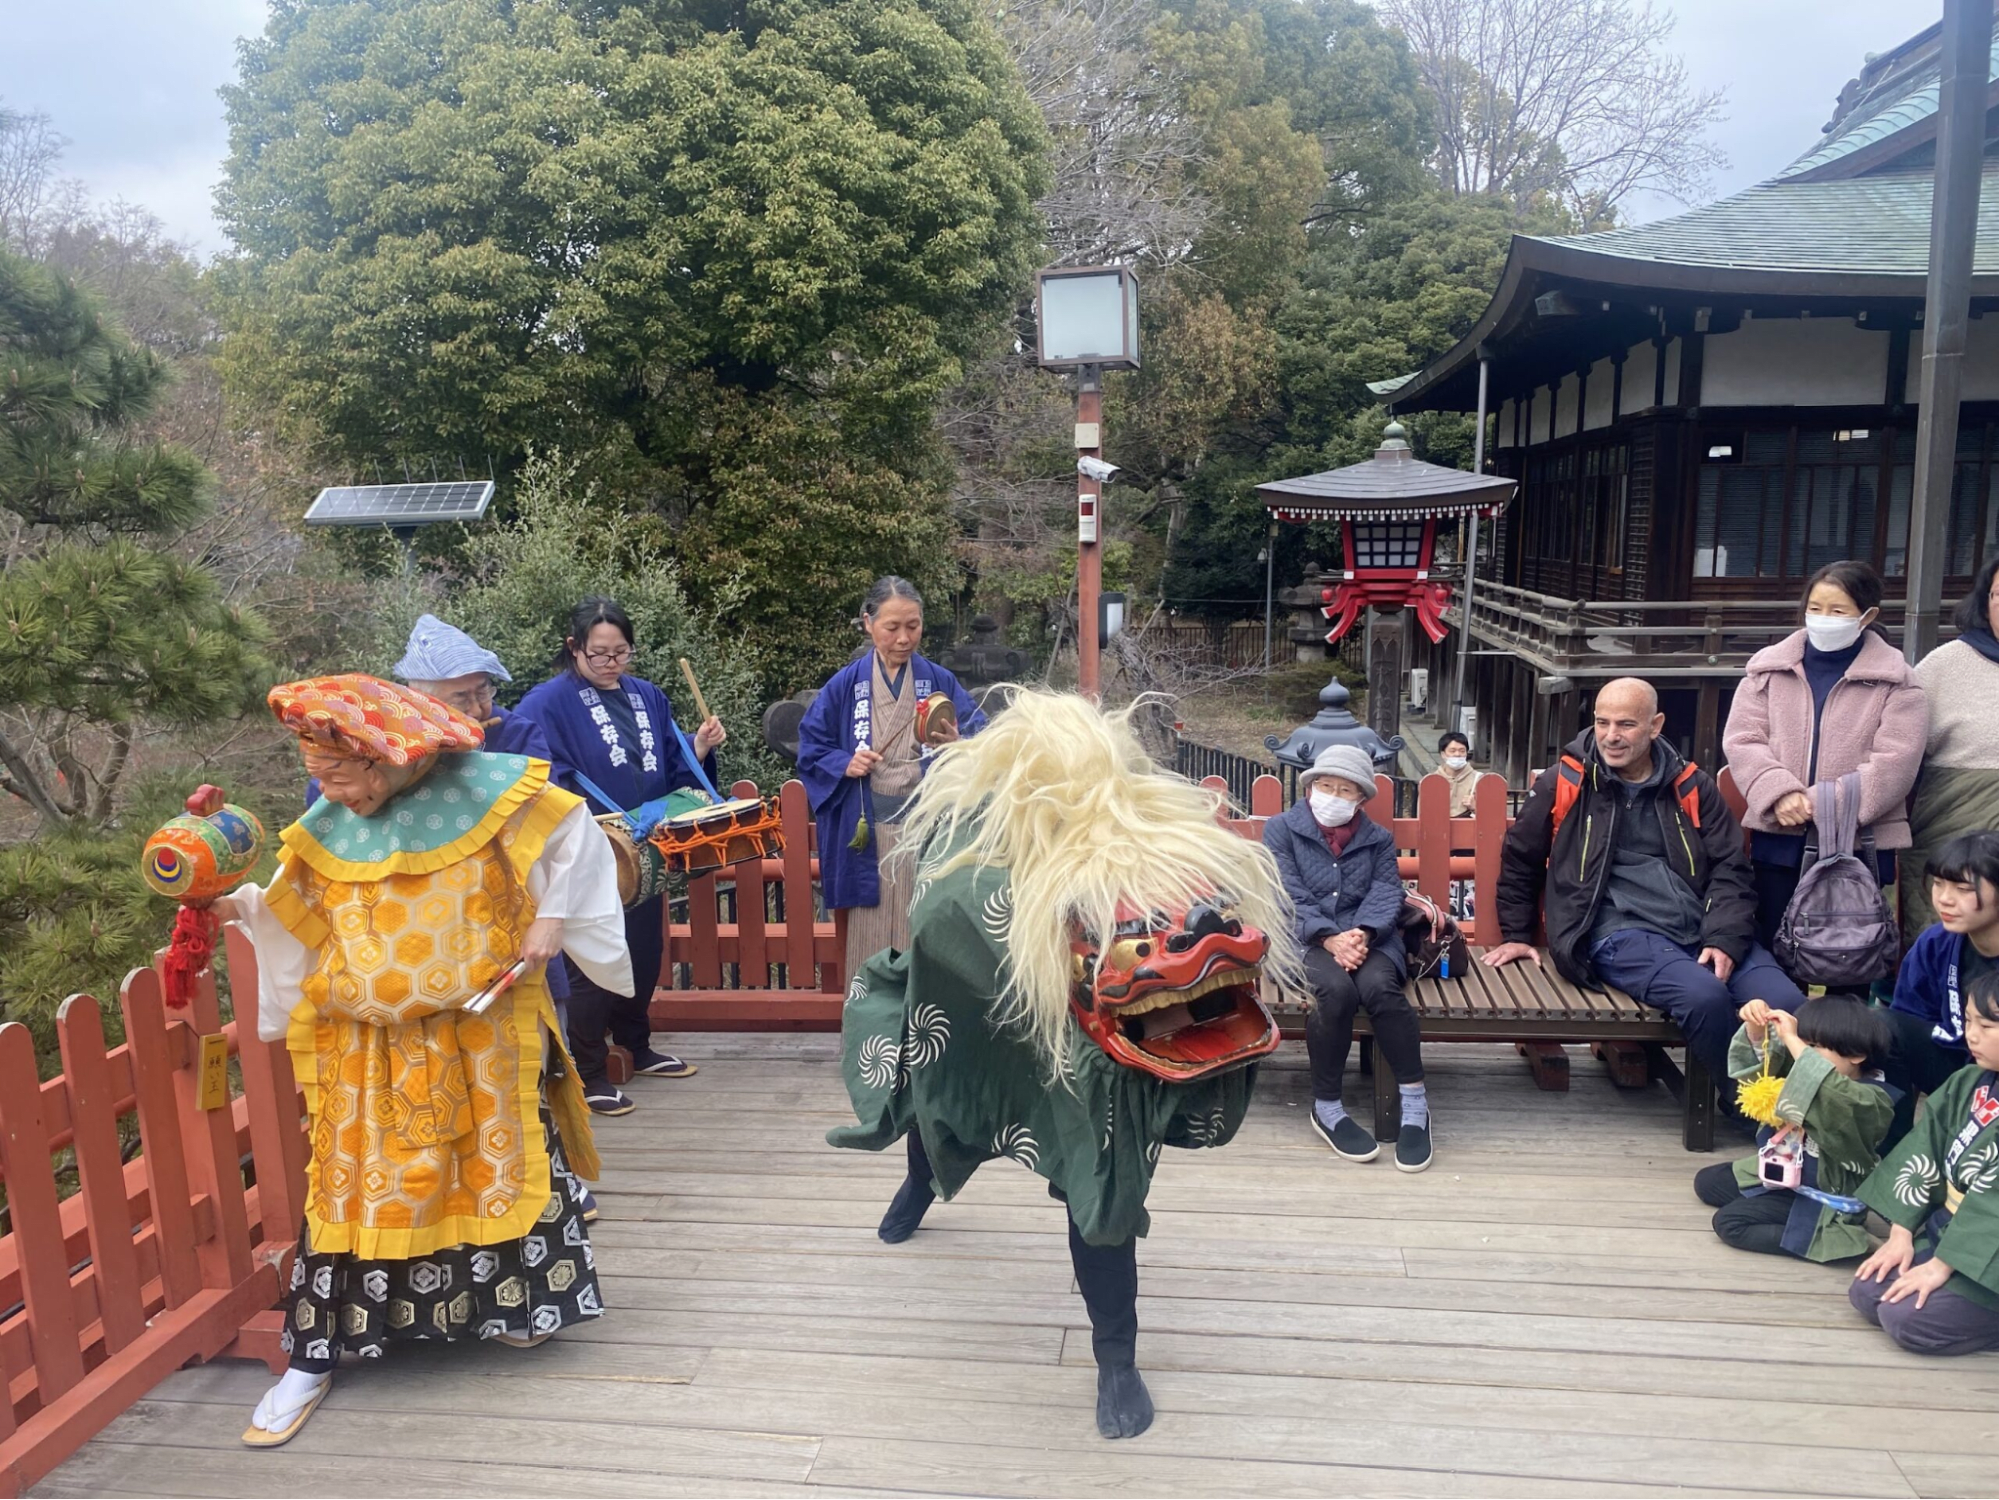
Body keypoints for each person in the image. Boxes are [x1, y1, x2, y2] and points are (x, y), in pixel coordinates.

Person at [831, 689, 1302, 1440]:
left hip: (1094, 1038)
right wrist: (1028, 936)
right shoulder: (976, 839)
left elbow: (1211, 911)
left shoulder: (1140, 835)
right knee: (941, 1082)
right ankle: (923, 1176)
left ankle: (1116, 1355)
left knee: (1101, 1187)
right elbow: (939, 916)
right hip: (987, 1014)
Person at [211, 674, 627, 1446]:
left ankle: (507, 1310)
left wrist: (553, 919)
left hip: (479, 1032)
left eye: (338, 773)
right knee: (359, 1188)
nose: (328, 790)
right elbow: (293, 907)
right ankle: (315, 1352)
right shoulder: (329, 818)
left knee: (489, 1168)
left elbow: (580, 839)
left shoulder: (496, 793)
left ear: (384, 758)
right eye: (321, 776)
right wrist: (236, 907)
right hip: (367, 1046)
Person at [1485, 677, 1806, 1103]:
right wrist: (1517, 936)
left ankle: (1803, 1104)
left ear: (1655, 726)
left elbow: (1731, 868)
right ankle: (1755, 1113)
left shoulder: (1690, 785)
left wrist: (1724, 938)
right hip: (1618, 932)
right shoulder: (1568, 781)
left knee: (1789, 1001)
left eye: (1626, 724)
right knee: (1705, 996)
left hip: (1699, 925)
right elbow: (1521, 858)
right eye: (1602, 723)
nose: (1611, 736)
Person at [516, 597, 726, 1114]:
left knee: (643, 947)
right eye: (600, 655)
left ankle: (637, 1043)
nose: (612, 664)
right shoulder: (545, 703)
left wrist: (699, 748)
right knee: (592, 957)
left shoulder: (647, 695)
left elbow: (675, 765)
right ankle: (587, 1070)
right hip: (587, 845)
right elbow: (536, 771)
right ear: (574, 649)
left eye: (621, 653)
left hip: (646, 843)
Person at [1721, 561, 1925, 957]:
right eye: (1815, 608)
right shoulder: (1767, 669)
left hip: (1858, 842)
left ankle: (1844, 1020)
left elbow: (1896, 762)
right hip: (1779, 833)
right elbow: (1744, 739)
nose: (1823, 619)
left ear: (1868, 616)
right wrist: (1778, 792)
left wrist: (1820, 803)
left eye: (1838, 611)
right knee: (1774, 952)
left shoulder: (1897, 681)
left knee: (1850, 957)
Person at [795, 576, 985, 979]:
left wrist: (960, 744)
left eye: (913, 626)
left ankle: (925, 1033)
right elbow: (812, 745)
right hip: (871, 833)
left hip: (927, 831)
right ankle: (870, 1036)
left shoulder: (939, 680)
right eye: (892, 627)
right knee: (870, 939)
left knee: (930, 932)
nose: (904, 638)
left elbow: (982, 737)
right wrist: (844, 763)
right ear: (868, 623)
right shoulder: (845, 685)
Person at [1263, 744, 1431, 1171]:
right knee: (1333, 992)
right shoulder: (1281, 829)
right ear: (1310, 786)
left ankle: (1415, 1107)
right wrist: (1328, 937)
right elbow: (1286, 892)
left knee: (1380, 988)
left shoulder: (1377, 838)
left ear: (1360, 798)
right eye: (1325, 785)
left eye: (1345, 790)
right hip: (1304, 939)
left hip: (1370, 938)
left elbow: (1386, 890)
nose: (1333, 796)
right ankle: (1327, 1107)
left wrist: (1363, 933)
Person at [1851, 972, 1999, 1355]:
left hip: (1987, 1249)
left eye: (1986, 1025)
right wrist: (1901, 1234)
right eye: (1968, 1021)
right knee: (1868, 1292)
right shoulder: (1970, 1080)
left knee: (1907, 1321)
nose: (1972, 1035)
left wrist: (1943, 1265)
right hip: (1952, 1230)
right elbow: (1926, 1147)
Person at [1693, 997, 1894, 1261]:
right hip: (1784, 1174)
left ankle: (1843, 1239)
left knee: (1729, 1223)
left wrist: (1792, 1038)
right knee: (1707, 1182)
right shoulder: (1808, 1070)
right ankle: (1776, 1209)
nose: (1800, 1051)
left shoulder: (1870, 1100)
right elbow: (1764, 1074)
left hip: (1821, 1195)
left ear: (1856, 1054)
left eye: (1813, 1047)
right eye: (1803, 1043)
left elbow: (1827, 1084)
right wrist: (1756, 1030)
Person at [304, 613, 556, 806]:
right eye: (460, 699)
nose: (477, 710)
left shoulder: (517, 735)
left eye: (482, 692)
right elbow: (324, 797)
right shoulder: (378, 737)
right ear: (420, 700)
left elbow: (547, 806)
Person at [1882, 831, 1999, 1145]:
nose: (1945, 899)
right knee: (1885, 1028)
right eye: (1938, 884)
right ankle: (1893, 1157)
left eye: (1962, 888)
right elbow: (1906, 1023)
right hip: (1958, 1067)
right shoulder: (1936, 942)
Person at [1905, 555, 1999, 942]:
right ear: (1984, 603)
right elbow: (1897, 748)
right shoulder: (1945, 666)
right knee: (1947, 952)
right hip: (1953, 832)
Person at [1437, 729, 1484, 818]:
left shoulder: (1478, 778)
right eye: (1452, 751)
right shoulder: (1432, 780)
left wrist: (1476, 807)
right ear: (1443, 754)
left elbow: (1492, 817)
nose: (1457, 754)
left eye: (1462, 751)